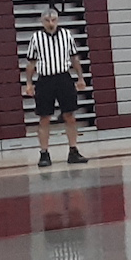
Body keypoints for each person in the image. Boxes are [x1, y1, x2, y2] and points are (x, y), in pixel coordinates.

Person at [26, 10, 90, 166]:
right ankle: (44, 153)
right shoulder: (36, 38)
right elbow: (31, 63)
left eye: (53, 20)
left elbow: (74, 58)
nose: (51, 23)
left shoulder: (67, 35)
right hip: (45, 79)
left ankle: (73, 150)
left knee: (69, 115)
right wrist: (28, 83)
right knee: (44, 118)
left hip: (63, 77)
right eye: (47, 20)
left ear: (58, 20)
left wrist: (80, 78)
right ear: (42, 21)